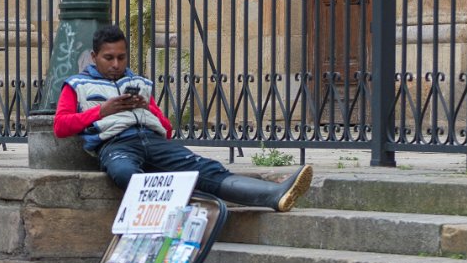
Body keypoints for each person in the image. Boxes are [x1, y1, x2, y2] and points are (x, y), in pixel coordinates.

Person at [53, 24, 312, 211]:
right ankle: (184, 203)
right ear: (94, 56)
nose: (116, 64)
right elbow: (60, 126)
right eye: (108, 58)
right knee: (123, 172)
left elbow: (166, 130)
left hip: (153, 141)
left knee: (206, 167)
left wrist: (147, 108)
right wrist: (102, 111)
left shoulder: (139, 83)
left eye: (121, 57)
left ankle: (274, 195)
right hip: (116, 145)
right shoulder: (76, 84)